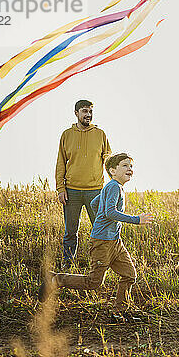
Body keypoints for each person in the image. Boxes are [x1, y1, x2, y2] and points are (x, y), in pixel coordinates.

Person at [40, 153, 153, 321]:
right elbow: (110, 212)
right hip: (102, 242)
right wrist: (137, 220)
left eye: (131, 166)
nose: (129, 169)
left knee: (129, 275)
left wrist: (102, 218)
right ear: (112, 170)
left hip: (115, 241)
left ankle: (119, 312)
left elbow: (95, 204)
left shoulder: (114, 187)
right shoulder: (113, 186)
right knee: (93, 283)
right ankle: (56, 279)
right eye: (125, 165)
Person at [56, 99, 111, 269]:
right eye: (85, 111)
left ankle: (100, 262)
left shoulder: (100, 134)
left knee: (100, 229)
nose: (88, 115)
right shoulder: (66, 135)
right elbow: (60, 163)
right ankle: (68, 262)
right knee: (70, 231)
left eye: (90, 111)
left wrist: (113, 185)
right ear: (76, 113)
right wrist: (60, 188)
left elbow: (108, 160)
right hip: (72, 191)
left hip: (95, 191)